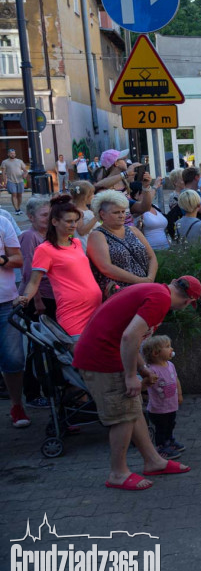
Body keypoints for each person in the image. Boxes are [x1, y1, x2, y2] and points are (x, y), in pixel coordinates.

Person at [72, 277, 201, 490]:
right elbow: (129, 337)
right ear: (188, 300)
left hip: (103, 353)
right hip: (101, 358)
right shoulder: (160, 300)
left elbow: (132, 339)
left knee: (132, 410)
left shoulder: (156, 291)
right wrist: (132, 375)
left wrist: (142, 369)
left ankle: (153, 461)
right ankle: (118, 473)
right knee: (123, 415)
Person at [15, 195, 103, 337]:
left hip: (94, 306)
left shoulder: (76, 243)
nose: (74, 225)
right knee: (75, 353)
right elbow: (33, 281)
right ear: (55, 221)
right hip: (72, 311)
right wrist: (25, 298)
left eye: (75, 221)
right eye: (69, 221)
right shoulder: (45, 249)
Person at [88, 190, 157, 299]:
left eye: (123, 211)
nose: (121, 215)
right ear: (102, 214)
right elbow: (105, 267)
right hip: (119, 293)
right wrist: (140, 281)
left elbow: (151, 257)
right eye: (116, 212)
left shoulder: (133, 230)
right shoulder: (97, 235)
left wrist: (150, 279)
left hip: (145, 287)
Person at [1, 210, 26, 427]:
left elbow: (18, 259)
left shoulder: (2, 220)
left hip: (5, 302)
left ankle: (17, 405)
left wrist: (1, 259)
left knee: (14, 359)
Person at [141, 335, 184, 459]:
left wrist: (179, 395)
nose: (171, 349)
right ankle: (161, 447)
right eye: (167, 347)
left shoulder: (170, 365)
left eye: (170, 346)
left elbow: (176, 380)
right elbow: (144, 387)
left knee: (171, 424)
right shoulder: (152, 370)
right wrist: (145, 383)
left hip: (171, 405)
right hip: (158, 408)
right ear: (155, 353)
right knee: (161, 427)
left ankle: (170, 441)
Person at [69, 181, 97, 249]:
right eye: (92, 193)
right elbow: (81, 231)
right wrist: (96, 218)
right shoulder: (78, 211)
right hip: (84, 243)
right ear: (85, 197)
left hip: (92, 241)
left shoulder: (86, 209)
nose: (94, 195)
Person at [1, 148, 27, 214]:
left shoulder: (19, 161)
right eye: (11, 153)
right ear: (8, 154)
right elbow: (3, 173)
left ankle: (18, 208)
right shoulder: (5, 162)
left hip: (20, 180)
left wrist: (25, 175)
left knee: (20, 195)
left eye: (14, 153)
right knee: (14, 194)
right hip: (10, 180)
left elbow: (25, 170)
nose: (13, 155)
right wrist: (4, 182)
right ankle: (16, 210)